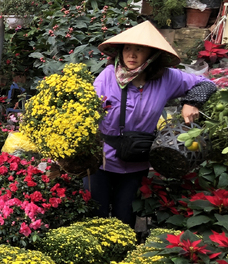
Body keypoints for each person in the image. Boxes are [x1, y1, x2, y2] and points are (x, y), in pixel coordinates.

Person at [85, 20, 216, 227]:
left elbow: (207, 83)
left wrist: (191, 102)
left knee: (125, 217)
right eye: (128, 48)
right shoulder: (107, 77)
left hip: (137, 161)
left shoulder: (167, 78)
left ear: (152, 55)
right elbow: (87, 112)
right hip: (102, 160)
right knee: (95, 216)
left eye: (139, 50)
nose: (132, 55)